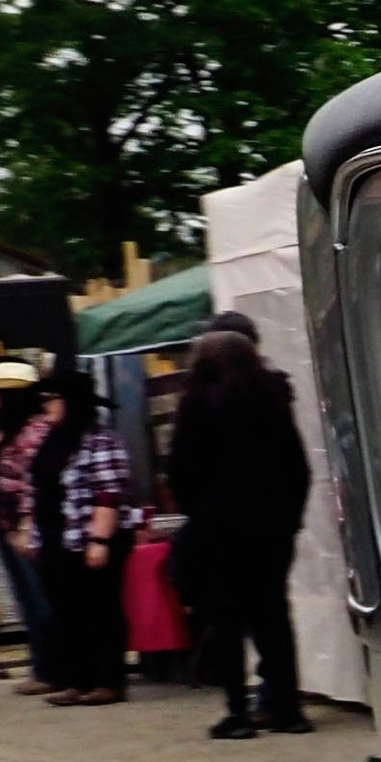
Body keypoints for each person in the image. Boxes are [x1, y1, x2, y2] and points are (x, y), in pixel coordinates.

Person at [162, 313, 314, 737]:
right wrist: (289, 519)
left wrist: (203, 513)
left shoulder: (197, 402)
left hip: (219, 531)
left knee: (226, 619)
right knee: (274, 619)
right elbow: (298, 466)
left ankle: (237, 714)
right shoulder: (274, 398)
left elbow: (180, 470)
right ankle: (287, 709)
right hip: (271, 531)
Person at [28, 376, 137, 707]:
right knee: (66, 610)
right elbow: (40, 490)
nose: (45, 405)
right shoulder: (53, 441)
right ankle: (77, 679)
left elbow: (109, 493)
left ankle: (108, 681)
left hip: (91, 536)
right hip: (57, 539)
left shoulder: (101, 441)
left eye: (51, 398)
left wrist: (100, 539)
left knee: (100, 608)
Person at [0, 360, 57, 686]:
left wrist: (24, 524)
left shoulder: (31, 432)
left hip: (25, 525)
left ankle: (49, 669)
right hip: (9, 524)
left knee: (39, 599)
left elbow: (27, 482)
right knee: (29, 599)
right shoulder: (8, 429)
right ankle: (43, 666)